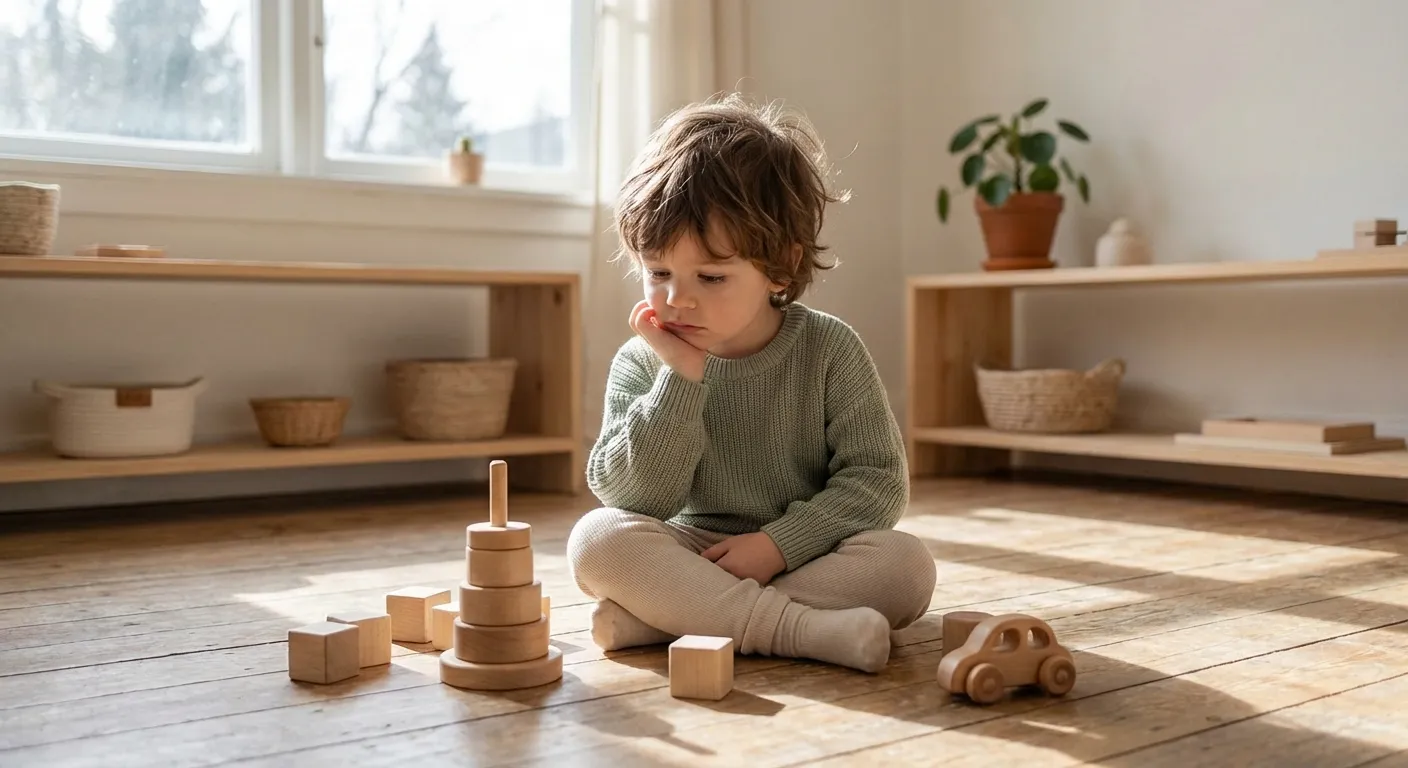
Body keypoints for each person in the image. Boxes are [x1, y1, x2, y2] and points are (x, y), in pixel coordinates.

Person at [565, 94, 936, 673]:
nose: (676, 298)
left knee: (906, 565)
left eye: (711, 276)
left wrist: (777, 546)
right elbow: (635, 499)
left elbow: (877, 481)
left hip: (805, 553)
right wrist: (679, 377)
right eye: (657, 272)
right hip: (692, 552)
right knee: (596, 539)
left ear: (780, 269)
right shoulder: (644, 360)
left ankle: (667, 622)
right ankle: (799, 631)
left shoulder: (831, 348)